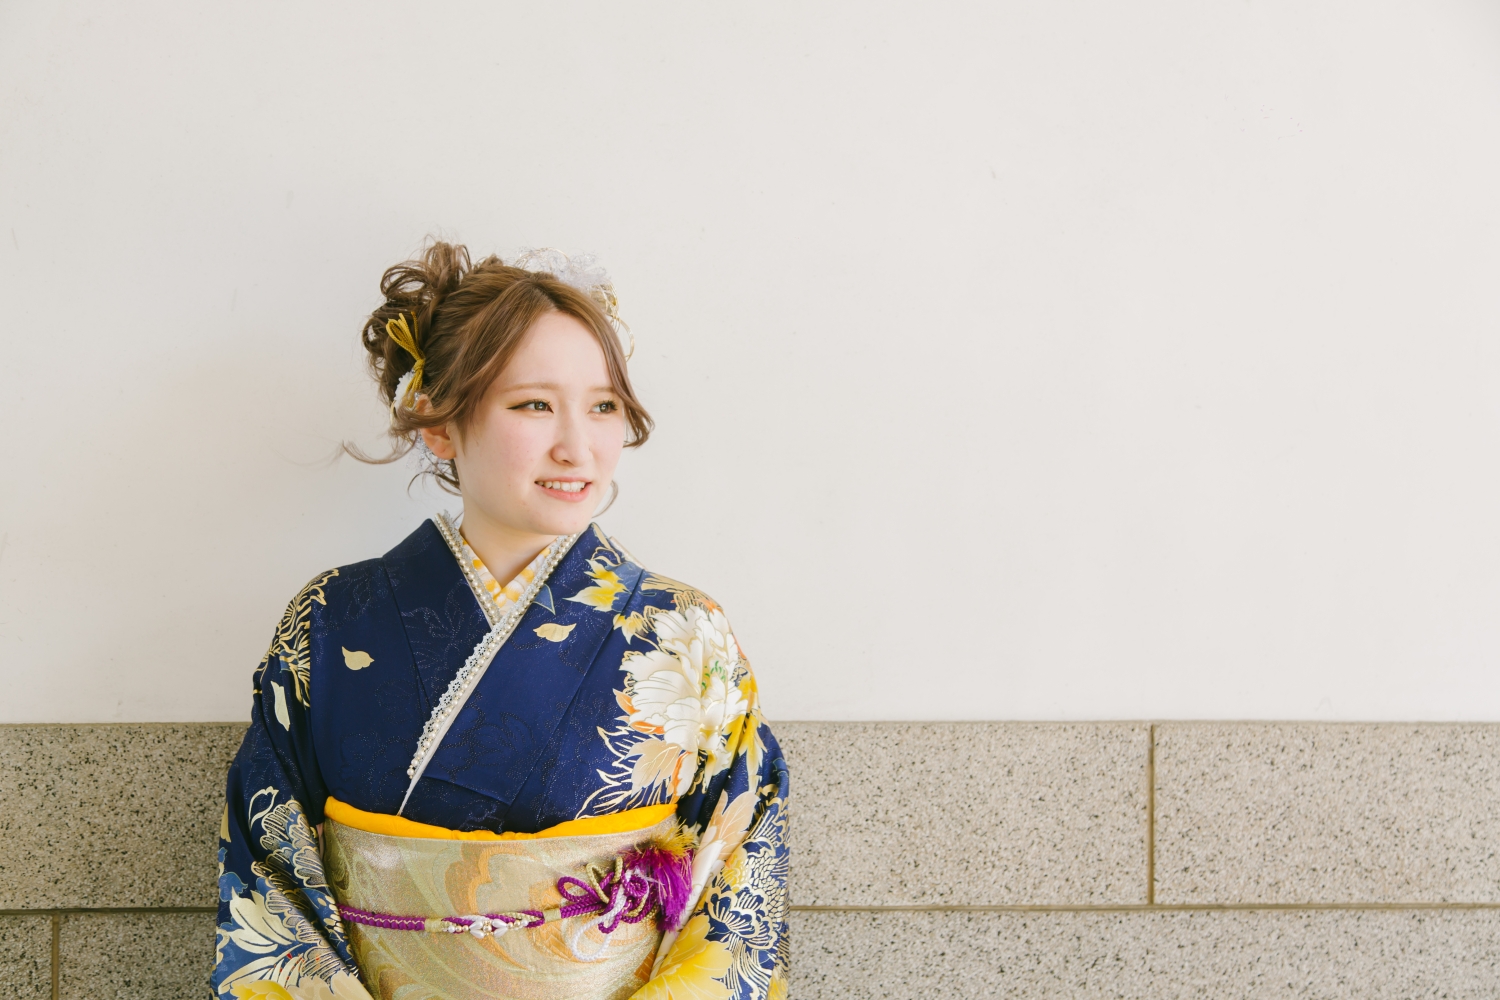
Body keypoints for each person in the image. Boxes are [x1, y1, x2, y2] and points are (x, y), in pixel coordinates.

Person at [212, 243, 789, 1000]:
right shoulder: (331, 619)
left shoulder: (685, 632)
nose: (577, 447)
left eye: (604, 406)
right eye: (534, 405)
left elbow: (738, 884)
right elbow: (270, 868)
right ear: (439, 424)